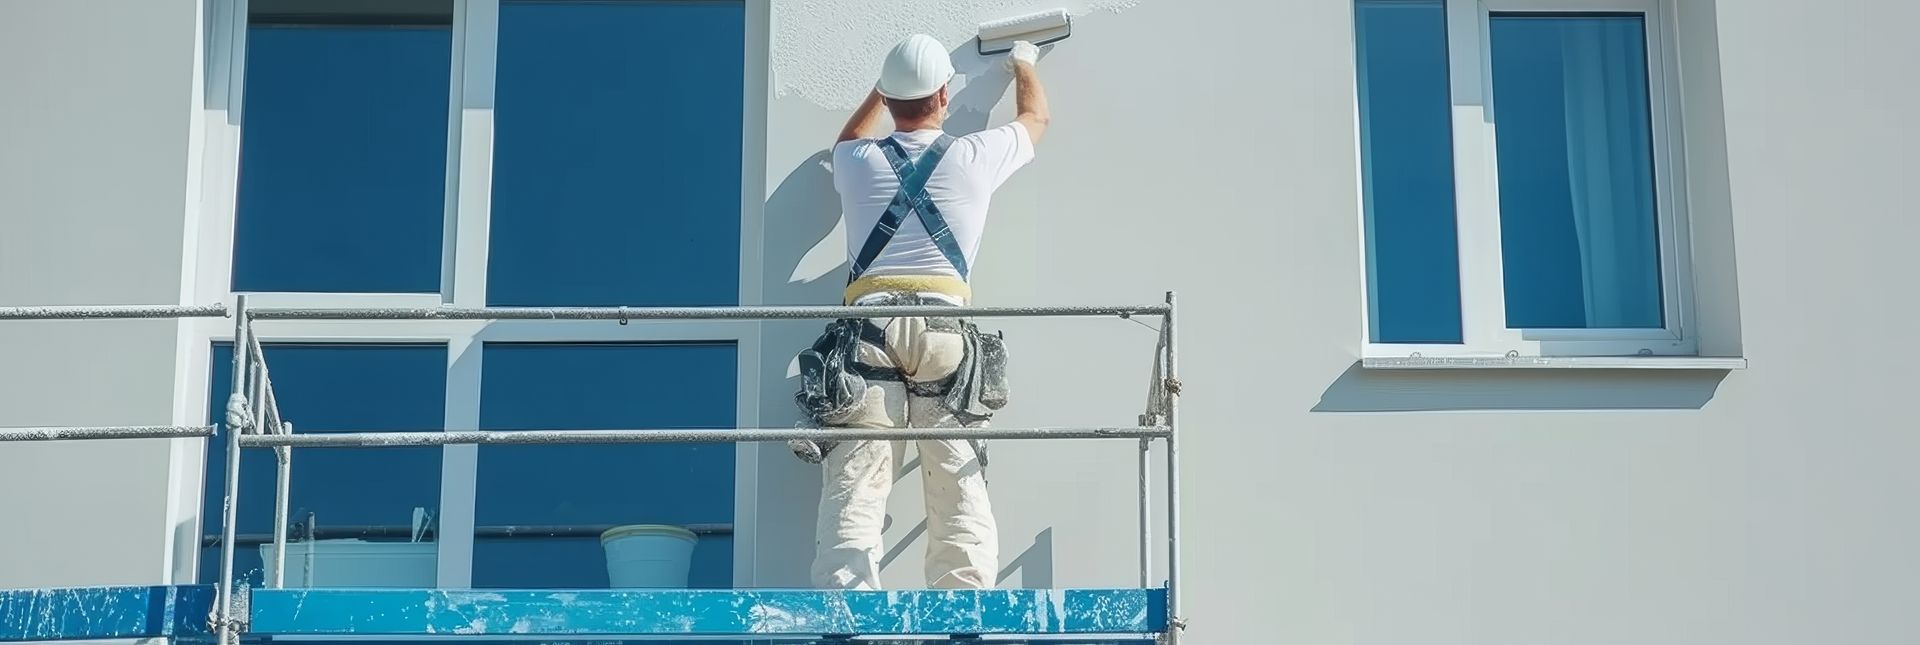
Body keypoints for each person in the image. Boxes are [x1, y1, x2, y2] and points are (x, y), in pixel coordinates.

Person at [794, 33, 1050, 591]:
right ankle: (964, 600)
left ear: (888, 99)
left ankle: (846, 603)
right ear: (943, 95)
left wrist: (880, 94)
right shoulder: (973, 156)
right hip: (944, 332)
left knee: (858, 476)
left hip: (870, 331)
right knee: (955, 472)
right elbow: (1035, 120)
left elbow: (849, 137)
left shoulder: (856, 161)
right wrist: (1023, 61)